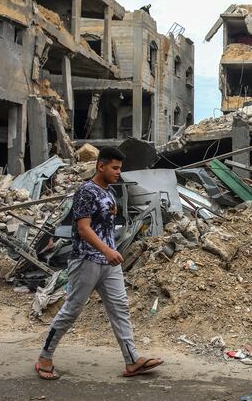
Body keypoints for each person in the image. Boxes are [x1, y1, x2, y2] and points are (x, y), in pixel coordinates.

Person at [35, 147, 162, 380]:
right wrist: (107, 250)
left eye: (120, 168)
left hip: (108, 262)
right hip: (86, 260)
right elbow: (84, 229)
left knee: (120, 308)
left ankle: (132, 360)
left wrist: (110, 252)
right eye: (114, 168)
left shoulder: (109, 192)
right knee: (72, 309)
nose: (118, 172)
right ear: (100, 166)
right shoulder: (86, 192)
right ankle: (45, 357)